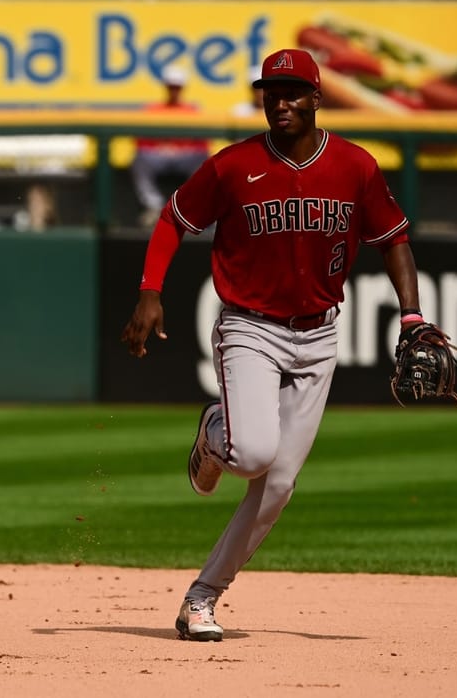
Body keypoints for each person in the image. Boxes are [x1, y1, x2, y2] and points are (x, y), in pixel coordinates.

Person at [121, 48, 429, 642]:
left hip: (319, 333)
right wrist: (150, 291)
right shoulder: (233, 165)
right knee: (253, 454)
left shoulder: (354, 165)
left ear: (317, 98)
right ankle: (217, 432)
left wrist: (411, 314)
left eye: (293, 92)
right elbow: (173, 220)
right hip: (249, 325)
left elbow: (394, 238)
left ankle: (204, 596)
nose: (280, 101)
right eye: (271, 92)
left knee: (280, 484)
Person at [130, 65, 210, 227]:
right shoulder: (153, 109)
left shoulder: (192, 110)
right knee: (140, 159)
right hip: (158, 156)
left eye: (177, 87)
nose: (174, 90)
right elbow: (140, 140)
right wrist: (160, 148)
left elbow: (203, 143)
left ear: (182, 88)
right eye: (171, 87)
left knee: (203, 160)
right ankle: (154, 206)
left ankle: (192, 208)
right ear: (166, 87)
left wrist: (183, 149)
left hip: (185, 157)